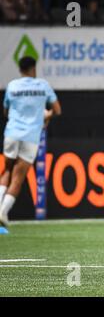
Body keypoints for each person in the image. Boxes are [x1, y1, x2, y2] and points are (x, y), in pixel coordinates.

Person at [0, 56, 61, 227]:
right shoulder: (43, 86)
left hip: (12, 133)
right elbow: (57, 110)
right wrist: (45, 116)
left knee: (7, 171)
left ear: (20, 70)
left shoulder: (12, 86)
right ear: (34, 68)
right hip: (30, 137)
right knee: (18, 178)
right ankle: (2, 213)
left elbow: (6, 111)